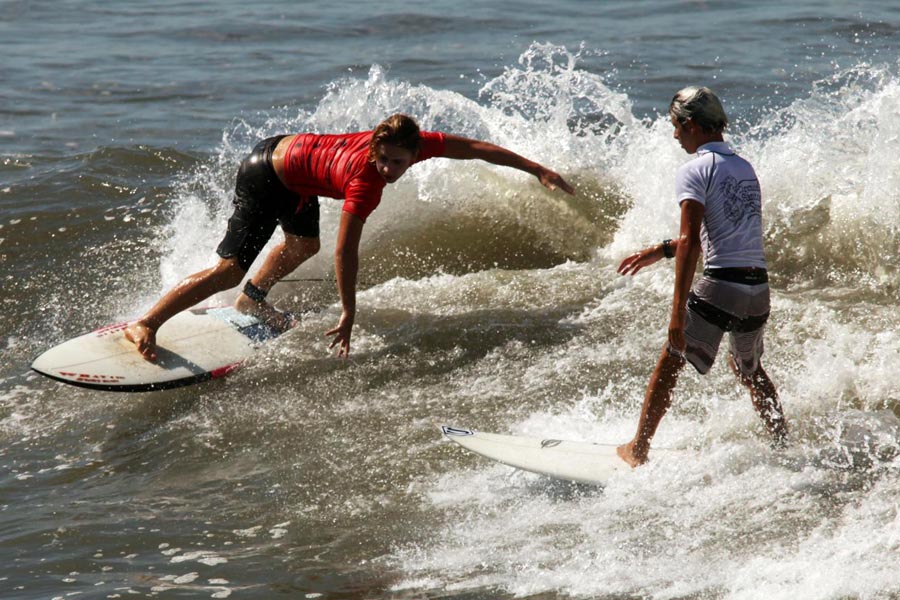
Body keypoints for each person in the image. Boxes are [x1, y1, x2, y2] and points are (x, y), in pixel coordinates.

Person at [125, 113, 574, 361]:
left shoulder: (421, 144)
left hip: (296, 171)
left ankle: (252, 299)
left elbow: (474, 149)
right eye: (383, 161)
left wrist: (536, 169)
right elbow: (346, 250)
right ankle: (146, 323)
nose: (389, 170)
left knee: (304, 245)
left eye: (398, 163)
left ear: (417, 154)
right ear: (376, 150)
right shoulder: (365, 183)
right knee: (229, 271)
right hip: (267, 175)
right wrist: (348, 310)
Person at [616, 87, 788, 467]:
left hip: (720, 287)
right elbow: (724, 234)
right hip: (757, 290)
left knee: (670, 360)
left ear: (691, 124)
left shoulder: (694, 169)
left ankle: (638, 449)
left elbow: (694, 243)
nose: (675, 136)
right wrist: (660, 251)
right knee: (750, 369)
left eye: (676, 127)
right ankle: (782, 442)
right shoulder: (744, 167)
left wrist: (677, 311)